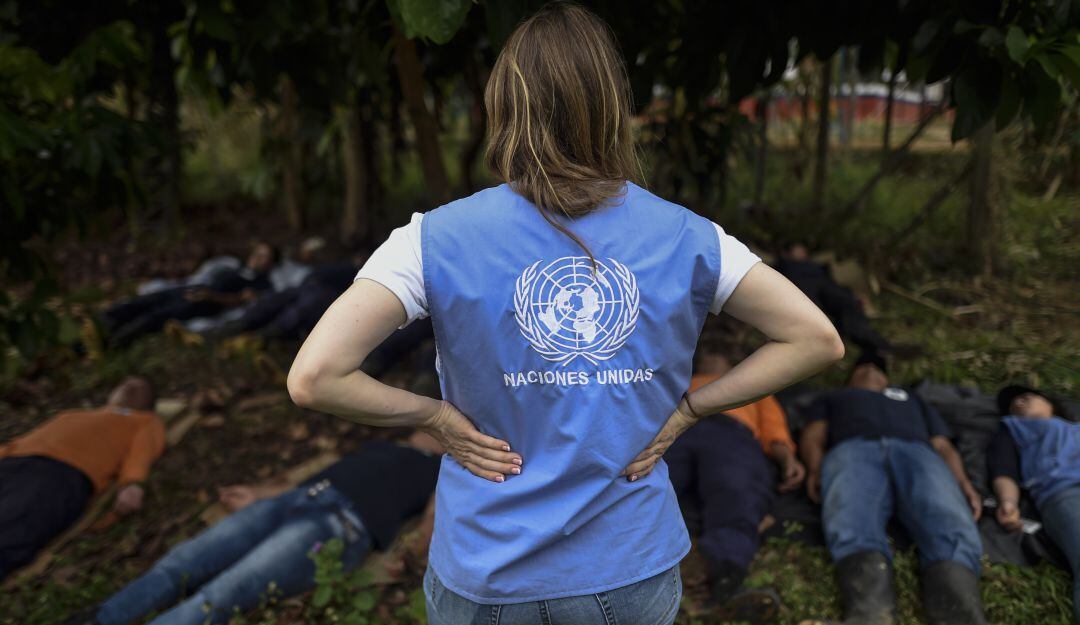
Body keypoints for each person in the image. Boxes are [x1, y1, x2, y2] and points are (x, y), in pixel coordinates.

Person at [287, 5, 844, 625]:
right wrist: (693, 409)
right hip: (629, 569)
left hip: (487, 573)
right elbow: (816, 339)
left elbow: (315, 377)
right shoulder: (689, 237)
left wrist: (435, 417)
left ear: (506, 106)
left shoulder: (434, 240)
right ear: (611, 106)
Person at [62, 430, 442, 625]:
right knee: (181, 562)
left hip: (339, 525)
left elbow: (432, 519)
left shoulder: (444, 470)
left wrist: (415, 551)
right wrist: (261, 493)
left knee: (223, 593)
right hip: (297, 498)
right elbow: (324, 473)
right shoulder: (383, 445)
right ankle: (100, 619)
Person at [798, 352, 986, 625]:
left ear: (887, 378)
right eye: (862, 367)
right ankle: (870, 616)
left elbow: (943, 445)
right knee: (850, 514)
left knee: (947, 516)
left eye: (877, 367)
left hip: (917, 452)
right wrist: (815, 468)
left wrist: (963, 482)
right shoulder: (834, 397)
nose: (870, 369)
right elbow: (813, 435)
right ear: (850, 377)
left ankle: (959, 616)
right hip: (853, 448)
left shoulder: (912, 398)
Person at [666, 348, 805, 623]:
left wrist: (788, 459)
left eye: (719, 356)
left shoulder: (752, 385)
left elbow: (774, 430)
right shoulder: (679, 379)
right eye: (706, 355)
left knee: (736, 491)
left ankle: (725, 581)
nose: (711, 358)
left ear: (732, 363)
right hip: (677, 431)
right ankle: (630, 580)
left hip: (732, 434)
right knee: (651, 488)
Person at [0, 377, 161, 580]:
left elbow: (143, 451)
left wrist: (132, 483)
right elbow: (24, 440)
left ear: (150, 403)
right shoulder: (72, 415)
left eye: (139, 387)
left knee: (13, 525)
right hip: (14, 462)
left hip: (61, 473)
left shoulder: (144, 421)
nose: (129, 386)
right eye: (124, 383)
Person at [987, 385, 1079, 623]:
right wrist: (1008, 503)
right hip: (1063, 492)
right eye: (1013, 403)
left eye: (1027, 397)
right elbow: (1003, 470)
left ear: (1051, 403)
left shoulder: (1074, 427)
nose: (1019, 402)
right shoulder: (1012, 428)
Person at [104, 242, 280, 348]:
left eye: (264, 256)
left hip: (207, 302)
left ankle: (112, 342)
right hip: (192, 288)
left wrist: (210, 296)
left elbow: (241, 300)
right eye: (258, 252)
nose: (257, 257)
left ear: (271, 264)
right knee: (144, 301)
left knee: (155, 316)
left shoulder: (261, 283)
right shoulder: (236, 265)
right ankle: (101, 323)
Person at [773, 243, 895, 356]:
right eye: (797, 250)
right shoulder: (784, 264)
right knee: (809, 306)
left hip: (826, 286)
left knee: (849, 305)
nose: (801, 252)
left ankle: (882, 346)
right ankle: (809, 341)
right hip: (802, 287)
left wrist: (855, 296)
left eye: (803, 250)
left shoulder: (818, 266)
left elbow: (837, 281)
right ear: (788, 253)